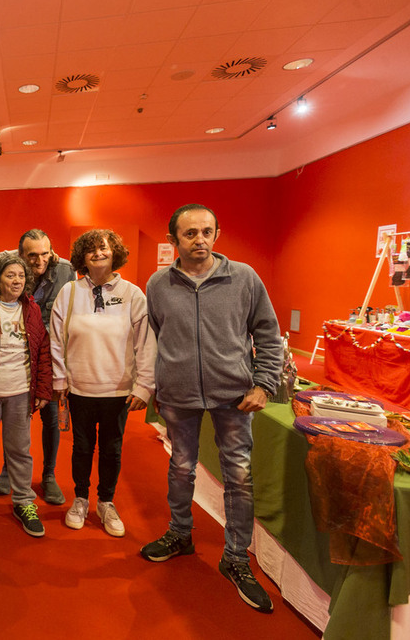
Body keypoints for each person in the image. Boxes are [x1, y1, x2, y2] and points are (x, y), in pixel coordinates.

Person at [140, 204, 282, 613]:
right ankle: (180, 534)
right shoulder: (158, 284)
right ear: (174, 240)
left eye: (206, 232)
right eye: (189, 234)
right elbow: (153, 338)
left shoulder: (245, 279)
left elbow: (269, 335)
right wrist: (155, 385)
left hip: (233, 396)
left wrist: (264, 383)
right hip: (179, 395)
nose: (199, 240)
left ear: (217, 234)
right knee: (181, 467)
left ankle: (236, 557)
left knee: (238, 475)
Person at [50, 229, 155, 537]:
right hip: (79, 388)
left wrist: (144, 386)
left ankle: (106, 501)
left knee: (111, 449)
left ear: (115, 253)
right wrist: (60, 378)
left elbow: (146, 343)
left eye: (104, 248)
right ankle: (80, 499)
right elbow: (57, 339)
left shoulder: (133, 294)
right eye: (91, 250)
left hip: (118, 389)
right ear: (82, 256)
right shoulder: (69, 293)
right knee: (81, 447)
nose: (98, 254)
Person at [0, 254, 52, 537]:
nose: (16, 281)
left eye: (20, 276)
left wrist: (42, 389)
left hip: (20, 391)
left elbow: (43, 352)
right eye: (10, 275)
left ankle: (23, 501)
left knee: (19, 450)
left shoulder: (33, 311)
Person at [0, 229, 74, 505]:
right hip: (17, 358)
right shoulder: (8, 266)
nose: (40, 261)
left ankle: (48, 475)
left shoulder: (65, 271)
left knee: (50, 417)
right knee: (14, 419)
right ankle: (8, 469)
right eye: (32, 255)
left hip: (51, 360)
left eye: (45, 253)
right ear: (20, 255)